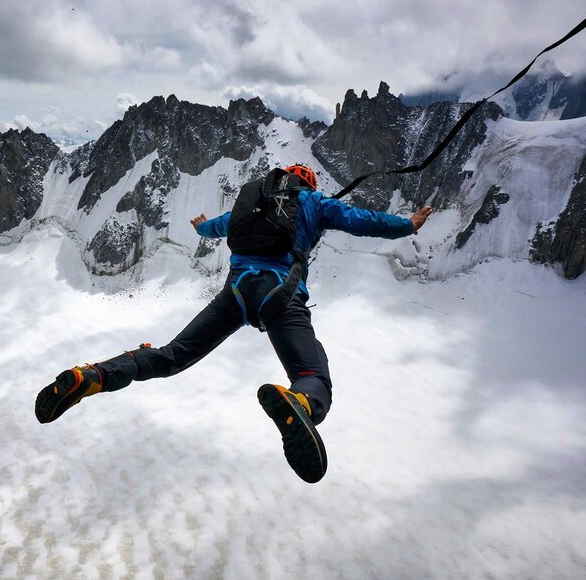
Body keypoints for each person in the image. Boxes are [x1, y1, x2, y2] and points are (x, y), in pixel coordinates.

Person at [34, 163, 432, 483]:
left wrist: (201, 227)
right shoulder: (316, 203)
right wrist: (408, 224)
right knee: (313, 374)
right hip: (281, 294)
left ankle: (92, 376)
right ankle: (302, 401)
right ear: (307, 183)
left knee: (171, 357)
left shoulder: (252, 202)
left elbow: (219, 226)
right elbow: (361, 219)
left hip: (236, 294)